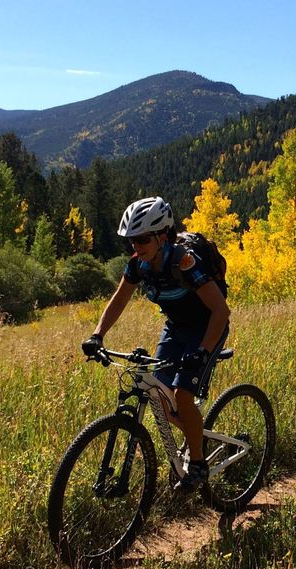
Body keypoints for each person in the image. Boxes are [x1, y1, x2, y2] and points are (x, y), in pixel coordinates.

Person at [82, 196, 231, 491]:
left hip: (206, 328)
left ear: (163, 235)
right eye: (131, 241)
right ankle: (196, 432)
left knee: (182, 395)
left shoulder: (184, 262)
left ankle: (199, 464)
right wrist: (97, 335)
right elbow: (119, 299)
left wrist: (202, 353)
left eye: (142, 239)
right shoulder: (140, 265)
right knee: (158, 396)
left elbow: (221, 311)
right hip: (176, 328)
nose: (136, 246)